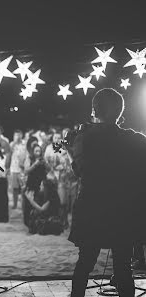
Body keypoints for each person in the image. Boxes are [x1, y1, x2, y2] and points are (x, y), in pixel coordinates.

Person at [67, 88, 146, 297]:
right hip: (124, 211)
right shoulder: (136, 139)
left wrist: (70, 149)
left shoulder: (85, 137)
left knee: (84, 263)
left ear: (95, 109)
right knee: (123, 267)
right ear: (120, 111)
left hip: (93, 210)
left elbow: (80, 170)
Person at [9, 129, 27, 209]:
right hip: (14, 169)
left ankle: (23, 204)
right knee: (15, 188)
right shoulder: (12, 144)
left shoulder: (25, 144)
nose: (17, 137)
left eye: (19, 135)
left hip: (22, 170)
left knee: (23, 188)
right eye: (16, 135)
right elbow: (9, 154)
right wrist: (14, 143)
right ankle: (15, 204)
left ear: (21, 135)